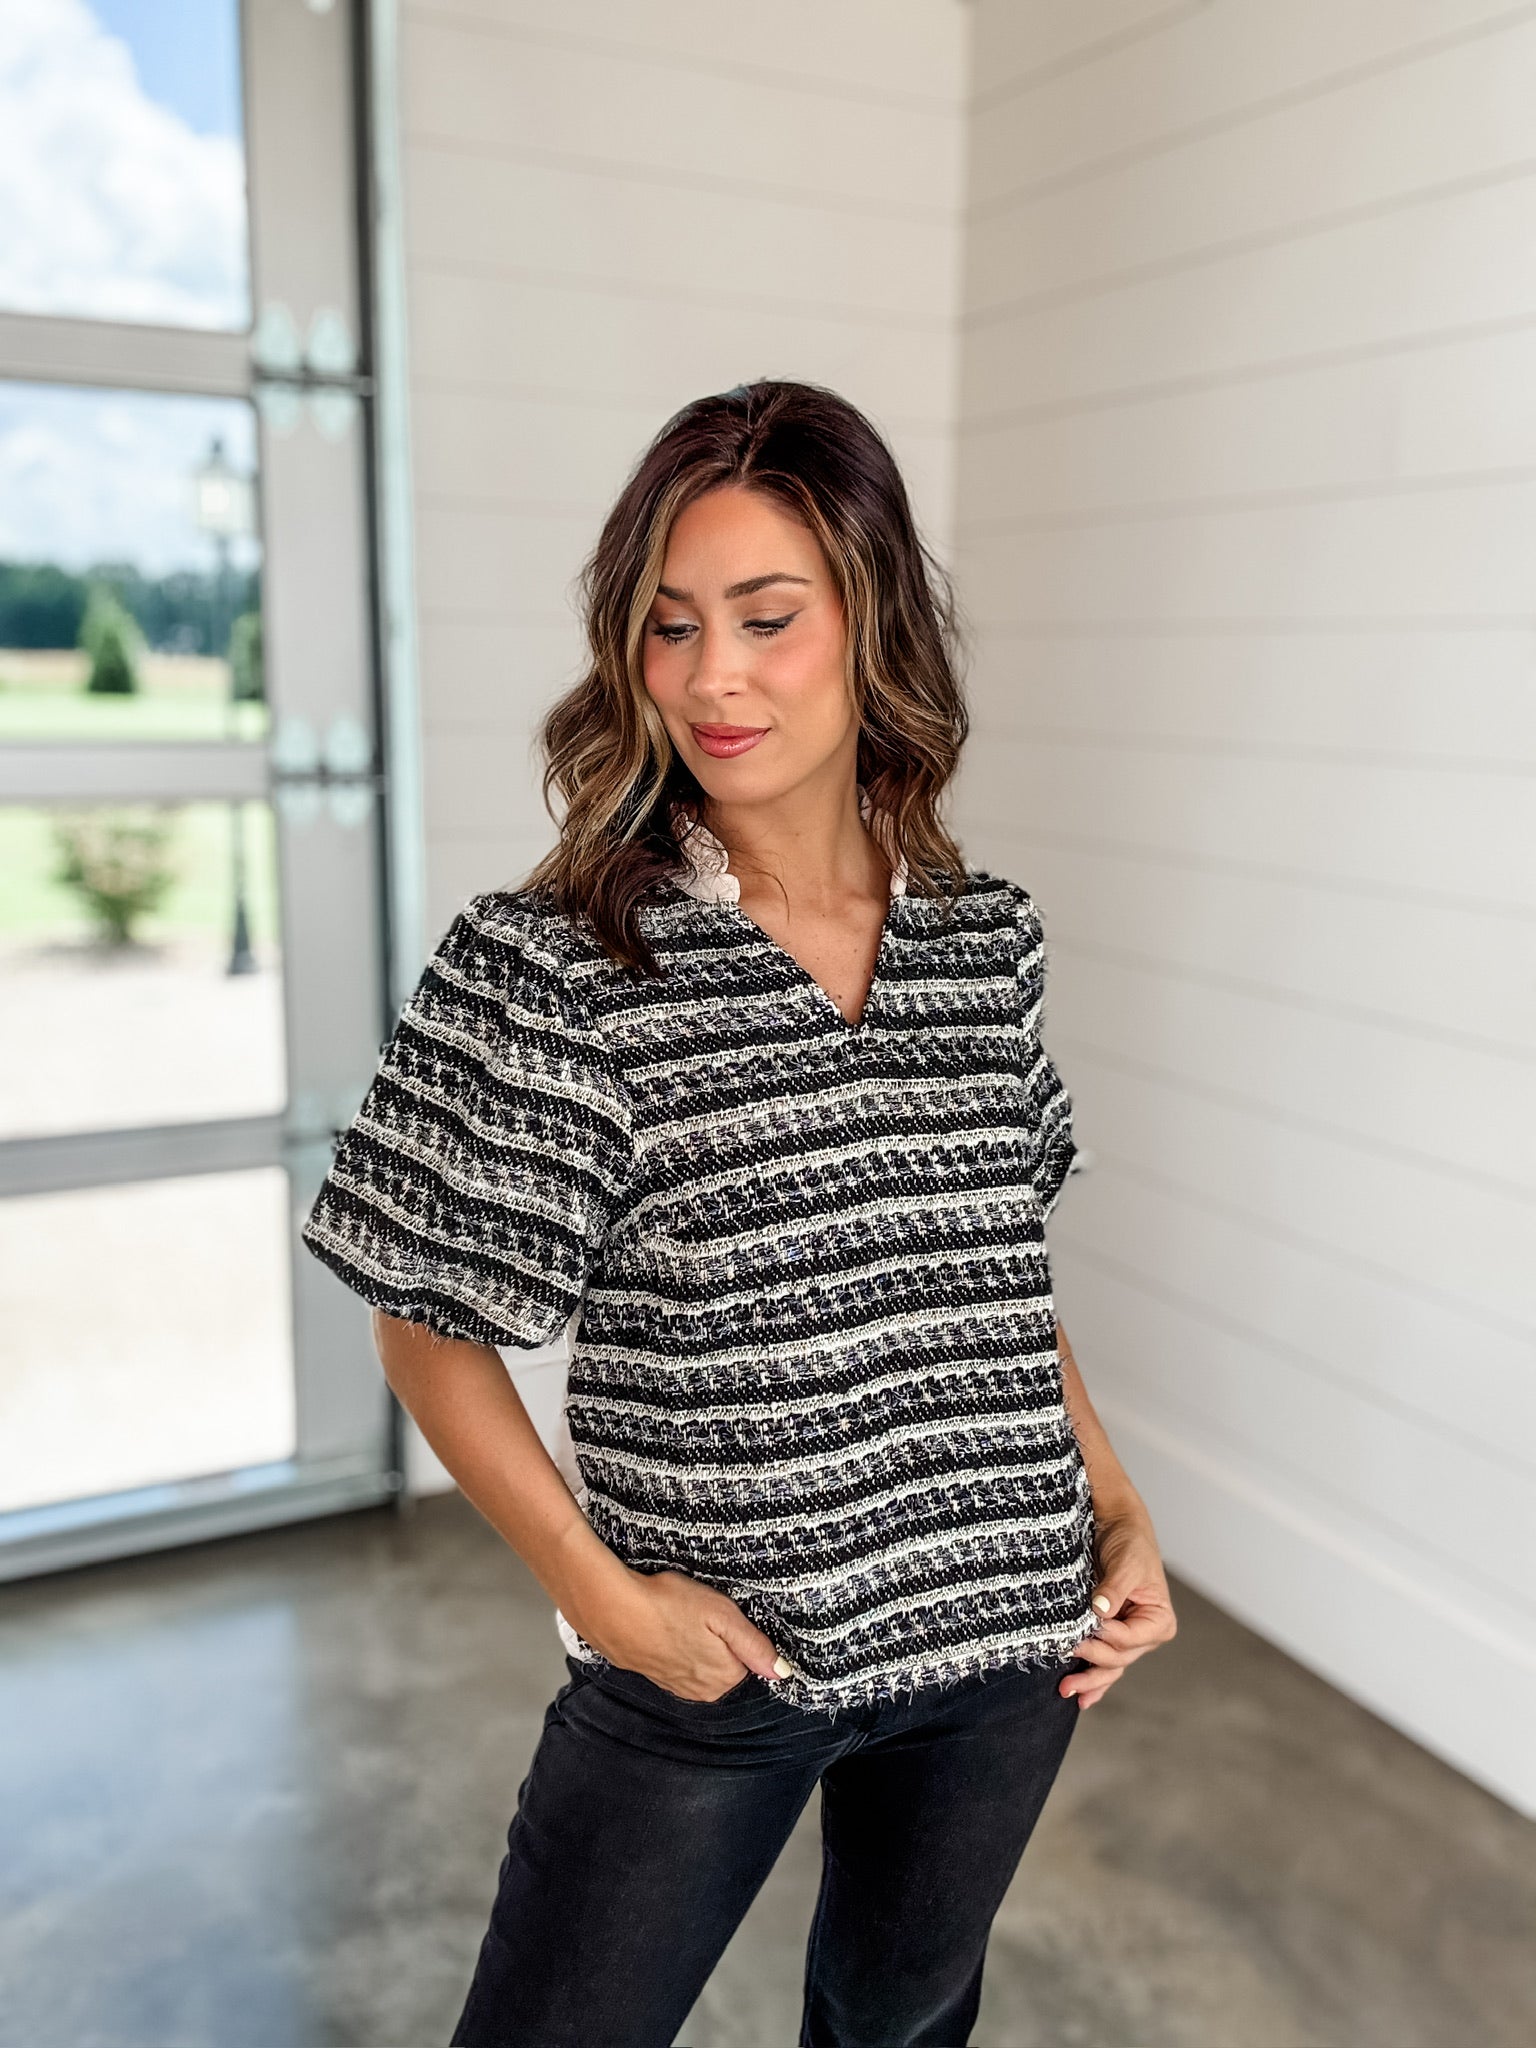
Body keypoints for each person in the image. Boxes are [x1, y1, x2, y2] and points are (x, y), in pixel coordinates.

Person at [301, 379, 1177, 2048]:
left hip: (1004, 1637)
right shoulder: (553, 963)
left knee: (895, 2030)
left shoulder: (984, 940)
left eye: (768, 619)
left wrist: (1117, 1507)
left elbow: (992, 1274)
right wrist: (602, 1596)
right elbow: (423, 1320)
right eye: (671, 625)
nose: (713, 676)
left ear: (873, 622)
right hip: (710, 1668)